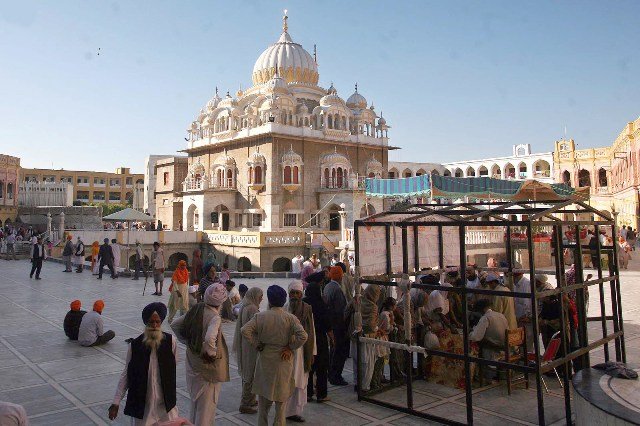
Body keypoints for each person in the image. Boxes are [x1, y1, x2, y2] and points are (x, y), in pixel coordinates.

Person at [241, 285, 308, 426]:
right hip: (283, 362)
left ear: (270, 301)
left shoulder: (260, 316)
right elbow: (303, 336)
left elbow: (245, 330)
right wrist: (290, 348)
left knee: (264, 405)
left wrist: (257, 344)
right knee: (280, 405)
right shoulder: (290, 318)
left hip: (265, 362)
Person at [109, 302, 179, 425]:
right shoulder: (135, 345)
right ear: (146, 323)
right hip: (144, 404)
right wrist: (116, 402)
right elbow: (126, 374)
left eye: (157, 322)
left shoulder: (170, 341)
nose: (154, 325)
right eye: (151, 322)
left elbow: (174, 364)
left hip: (165, 405)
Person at [171, 284, 230, 426]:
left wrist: (188, 342)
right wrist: (209, 353)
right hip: (207, 369)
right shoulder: (215, 317)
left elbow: (175, 324)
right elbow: (210, 338)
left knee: (196, 404)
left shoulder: (198, 309)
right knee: (206, 408)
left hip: (193, 362)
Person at [285, 281, 315, 423]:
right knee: (287, 382)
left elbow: (311, 331)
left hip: (303, 352)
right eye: (292, 293)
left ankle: (294, 412)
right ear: (288, 294)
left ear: (301, 294)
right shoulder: (284, 309)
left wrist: (313, 352)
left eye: (297, 293)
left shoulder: (307, 309)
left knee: (300, 383)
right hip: (287, 352)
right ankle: (283, 411)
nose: (295, 296)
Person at [233, 287, 263, 414]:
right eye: (260, 296)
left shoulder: (246, 306)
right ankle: (245, 404)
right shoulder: (252, 308)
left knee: (248, 372)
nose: (261, 299)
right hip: (251, 345)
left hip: (246, 344)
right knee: (250, 374)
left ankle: (250, 399)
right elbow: (252, 328)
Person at [304, 281, 333, 403]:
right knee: (322, 367)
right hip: (320, 338)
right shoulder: (321, 304)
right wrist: (332, 338)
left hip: (306, 338)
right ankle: (321, 395)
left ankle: (308, 394)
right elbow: (327, 324)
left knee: (308, 366)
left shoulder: (304, 303)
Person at [324, 266, 349, 386]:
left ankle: (331, 373)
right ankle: (336, 376)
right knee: (339, 351)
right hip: (338, 325)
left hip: (331, 323)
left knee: (334, 350)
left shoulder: (328, 286)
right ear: (340, 276)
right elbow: (340, 311)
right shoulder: (337, 289)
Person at [359, 284, 381, 392]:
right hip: (369, 337)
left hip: (358, 335)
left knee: (359, 362)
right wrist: (377, 329)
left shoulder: (360, 301)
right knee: (369, 363)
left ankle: (359, 384)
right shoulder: (373, 307)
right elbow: (371, 326)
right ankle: (365, 386)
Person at [512, 264, 533, 350]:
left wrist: (527, 317)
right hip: (518, 319)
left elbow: (527, 303)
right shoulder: (514, 285)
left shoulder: (526, 284)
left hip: (525, 319)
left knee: (527, 344)